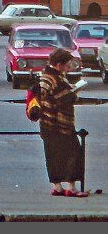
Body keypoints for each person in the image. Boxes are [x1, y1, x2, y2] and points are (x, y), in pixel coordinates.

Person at [35, 48, 87, 197]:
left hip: (46, 123)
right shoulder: (55, 79)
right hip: (60, 124)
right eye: (67, 64)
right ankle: (72, 187)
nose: (69, 67)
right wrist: (74, 92)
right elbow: (63, 98)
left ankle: (57, 186)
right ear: (59, 65)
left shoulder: (43, 77)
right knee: (73, 153)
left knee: (52, 155)